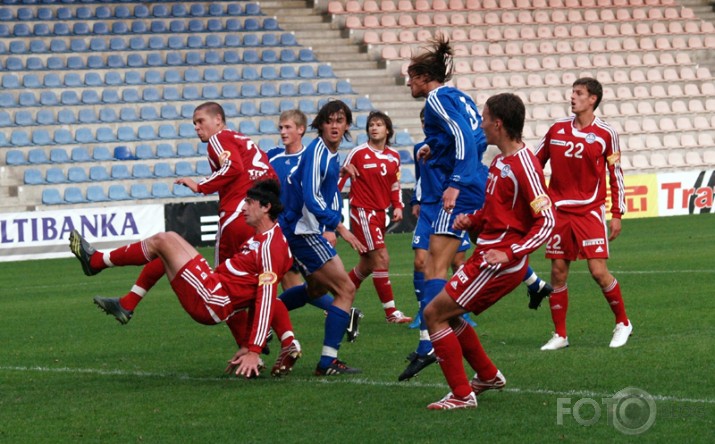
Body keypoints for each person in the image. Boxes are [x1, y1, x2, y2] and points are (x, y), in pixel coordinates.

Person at [91, 102, 302, 376]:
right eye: (194, 123)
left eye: (200, 120)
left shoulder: (219, 138)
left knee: (170, 246)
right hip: (256, 228)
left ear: (218, 120)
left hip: (228, 241)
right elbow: (263, 288)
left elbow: (233, 169)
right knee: (248, 276)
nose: (197, 127)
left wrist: (201, 184)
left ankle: (98, 263)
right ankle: (286, 340)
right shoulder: (247, 144)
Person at [69, 179, 293, 378]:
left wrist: (254, 350)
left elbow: (265, 297)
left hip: (211, 299)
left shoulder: (269, 247)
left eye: (249, 203)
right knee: (167, 248)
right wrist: (246, 344)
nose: (242, 208)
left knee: (163, 241)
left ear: (266, 208)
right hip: (213, 290)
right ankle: (126, 303)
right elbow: (255, 292)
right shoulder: (264, 239)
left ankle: (97, 261)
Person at [423, 93, 555, 410]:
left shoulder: (525, 166)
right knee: (447, 315)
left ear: (497, 124)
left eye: (483, 118)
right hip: (486, 254)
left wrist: (510, 253)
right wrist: (474, 219)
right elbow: (497, 212)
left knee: (433, 315)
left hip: (498, 264)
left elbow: (547, 221)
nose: (480, 124)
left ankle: (461, 394)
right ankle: (487, 375)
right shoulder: (499, 162)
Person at [534, 77, 632, 351]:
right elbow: (533, 164)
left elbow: (616, 173)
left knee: (598, 271)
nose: (572, 97)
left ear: (593, 99)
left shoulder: (605, 133)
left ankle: (623, 323)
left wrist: (616, 213)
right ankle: (560, 334)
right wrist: (538, 200)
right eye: (572, 92)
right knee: (557, 272)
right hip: (559, 213)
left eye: (579, 93)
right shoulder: (557, 130)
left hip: (590, 211)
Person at [278, 99, 367, 376]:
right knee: (345, 290)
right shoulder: (318, 150)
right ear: (320, 125)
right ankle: (328, 361)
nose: (334, 126)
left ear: (347, 125)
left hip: (303, 229)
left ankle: (265, 312)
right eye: (329, 121)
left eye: (340, 121)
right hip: (303, 231)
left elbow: (322, 191)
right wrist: (339, 227)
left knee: (315, 291)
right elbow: (311, 197)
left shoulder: (328, 154)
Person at [339, 111, 412, 323]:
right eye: (371, 124)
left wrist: (398, 206)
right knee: (381, 258)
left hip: (380, 213)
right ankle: (391, 312)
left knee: (367, 265)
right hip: (363, 211)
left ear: (387, 130)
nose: (374, 127)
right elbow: (342, 178)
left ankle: (339, 302)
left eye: (379, 124)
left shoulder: (394, 157)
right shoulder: (358, 153)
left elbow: (394, 184)